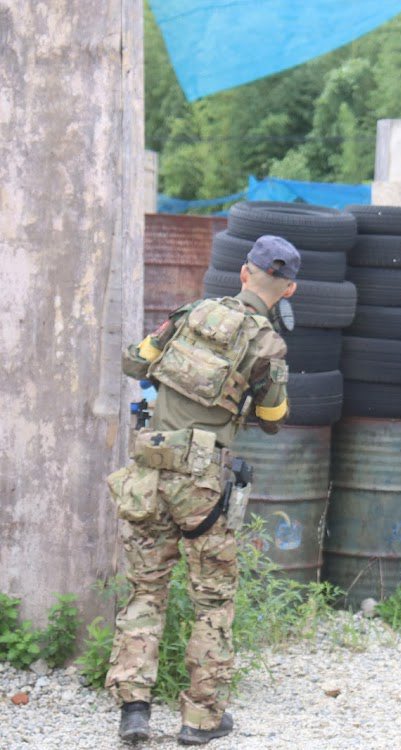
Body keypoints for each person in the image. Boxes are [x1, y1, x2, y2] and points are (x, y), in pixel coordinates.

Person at [105, 235, 299, 745]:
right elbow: (275, 417)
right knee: (212, 602)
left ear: (243, 273)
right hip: (203, 485)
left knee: (146, 591)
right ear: (289, 289)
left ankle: (135, 712)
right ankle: (200, 720)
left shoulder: (190, 313)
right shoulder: (268, 344)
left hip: (149, 472)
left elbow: (135, 361)